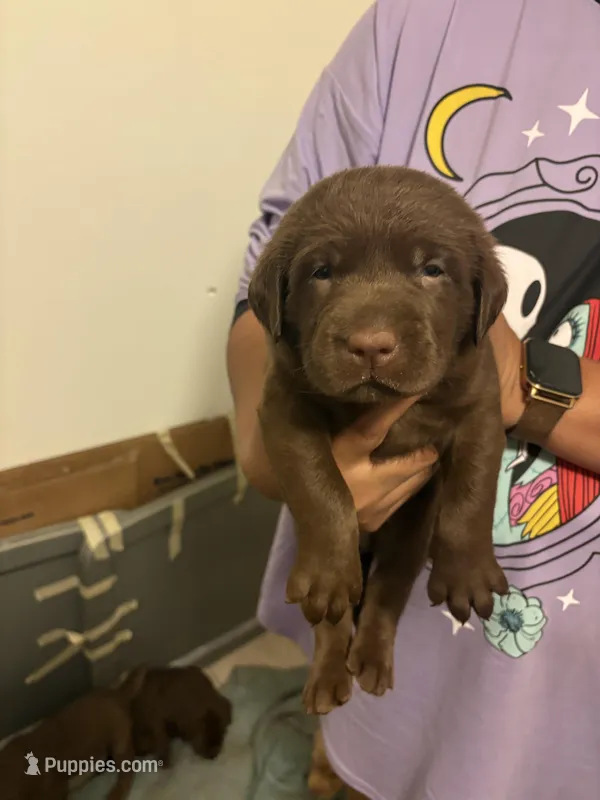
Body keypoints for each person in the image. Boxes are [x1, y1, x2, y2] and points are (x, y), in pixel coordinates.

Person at [227, 0, 600, 797]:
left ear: (480, 298)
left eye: (432, 271)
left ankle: (380, 634)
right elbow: (271, 358)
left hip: (566, 718)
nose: (371, 331)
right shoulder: (411, 23)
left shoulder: (474, 362)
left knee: (409, 545)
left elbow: (476, 425)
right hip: (389, 729)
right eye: (325, 273)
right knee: (341, 570)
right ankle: (338, 658)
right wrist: (309, 498)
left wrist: (465, 540)